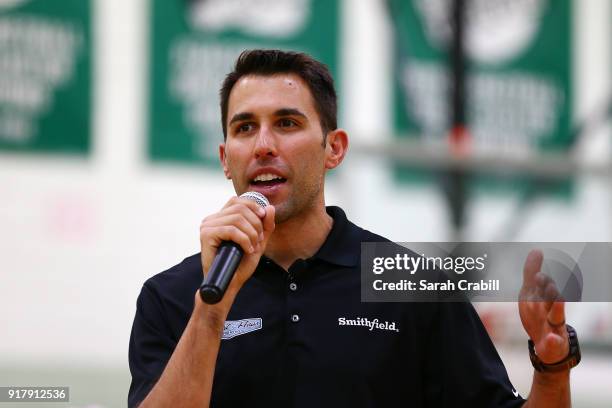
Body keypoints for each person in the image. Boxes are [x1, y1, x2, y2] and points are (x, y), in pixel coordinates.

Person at [128, 49, 579, 407]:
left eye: (287, 123)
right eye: (246, 127)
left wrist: (552, 366)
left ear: (334, 149)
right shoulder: (171, 298)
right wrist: (211, 309)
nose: (264, 145)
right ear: (227, 159)